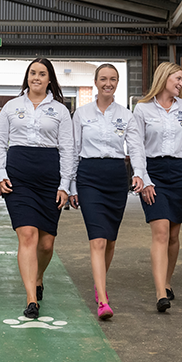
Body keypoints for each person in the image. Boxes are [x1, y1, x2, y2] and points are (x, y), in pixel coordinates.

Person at [0, 57, 74, 320]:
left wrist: (65, 185)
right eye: (32, 73)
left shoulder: (60, 110)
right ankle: (31, 298)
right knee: (27, 235)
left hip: (50, 178)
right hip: (19, 177)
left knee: (46, 244)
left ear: (50, 80)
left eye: (42, 74)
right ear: (27, 77)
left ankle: (38, 276)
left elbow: (68, 149)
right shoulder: (12, 107)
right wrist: (0, 175)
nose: (36, 77)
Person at [69, 64, 144, 321]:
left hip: (115, 177)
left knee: (110, 239)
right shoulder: (81, 114)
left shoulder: (126, 115)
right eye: (103, 79)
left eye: (112, 79)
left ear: (117, 82)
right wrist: (70, 186)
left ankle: (99, 283)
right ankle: (103, 298)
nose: (108, 83)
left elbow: (136, 148)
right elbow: (72, 150)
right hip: (89, 176)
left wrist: (139, 174)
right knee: (98, 240)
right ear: (95, 81)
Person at [132, 62, 182, 312]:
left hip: (180, 173)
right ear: (164, 78)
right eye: (178, 79)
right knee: (160, 231)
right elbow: (137, 146)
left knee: (173, 234)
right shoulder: (143, 109)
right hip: (154, 172)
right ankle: (160, 292)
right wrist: (144, 178)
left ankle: (168, 281)